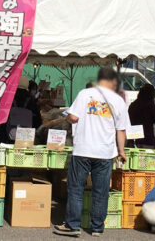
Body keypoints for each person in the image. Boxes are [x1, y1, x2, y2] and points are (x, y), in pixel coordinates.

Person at [54, 67, 129, 237]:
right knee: (101, 191)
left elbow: (72, 117)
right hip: (105, 153)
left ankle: (73, 226)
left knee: (76, 188)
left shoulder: (85, 94)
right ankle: (97, 228)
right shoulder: (118, 101)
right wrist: (121, 151)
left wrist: (67, 118)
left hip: (83, 149)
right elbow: (121, 130)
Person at [0, 76, 42, 144]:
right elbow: (38, 122)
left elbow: (0, 119)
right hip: (26, 139)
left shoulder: (8, 98)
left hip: (7, 138)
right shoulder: (31, 102)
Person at [128, 84, 155, 148]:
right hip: (147, 140)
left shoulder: (132, 105)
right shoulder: (151, 106)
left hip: (133, 139)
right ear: (151, 95)